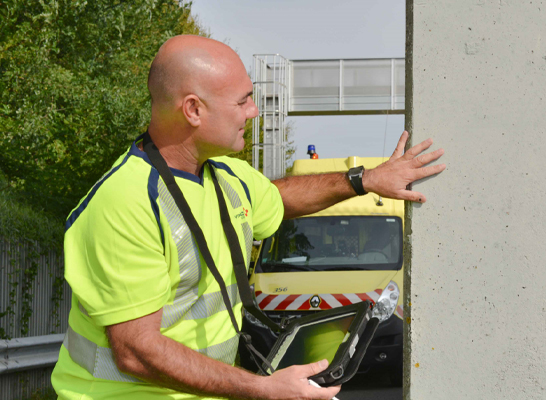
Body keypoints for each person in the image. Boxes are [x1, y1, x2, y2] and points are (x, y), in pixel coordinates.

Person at [51, 35, 445, 400]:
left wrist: (367, 180)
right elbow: (136, 353)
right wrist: (264, 388)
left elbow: (278, 198)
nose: (254, 112)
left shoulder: (225, 176)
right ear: (193, 110)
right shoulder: (125, 203)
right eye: (242, 101)